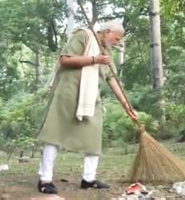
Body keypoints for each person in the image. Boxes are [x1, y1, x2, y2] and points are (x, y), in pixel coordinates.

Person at [36, 21, 138, 194]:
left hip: (90, 98)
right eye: (116, 38)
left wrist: (127, 107)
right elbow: (65, 59)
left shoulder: (106, 52)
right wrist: (93, 60)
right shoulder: (83, 36)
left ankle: (89, 179)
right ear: (106, 32)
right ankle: (45, 179)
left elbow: (112, 79)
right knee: (54, 134)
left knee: (94, 134)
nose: (117, 42)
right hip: (66, 93)